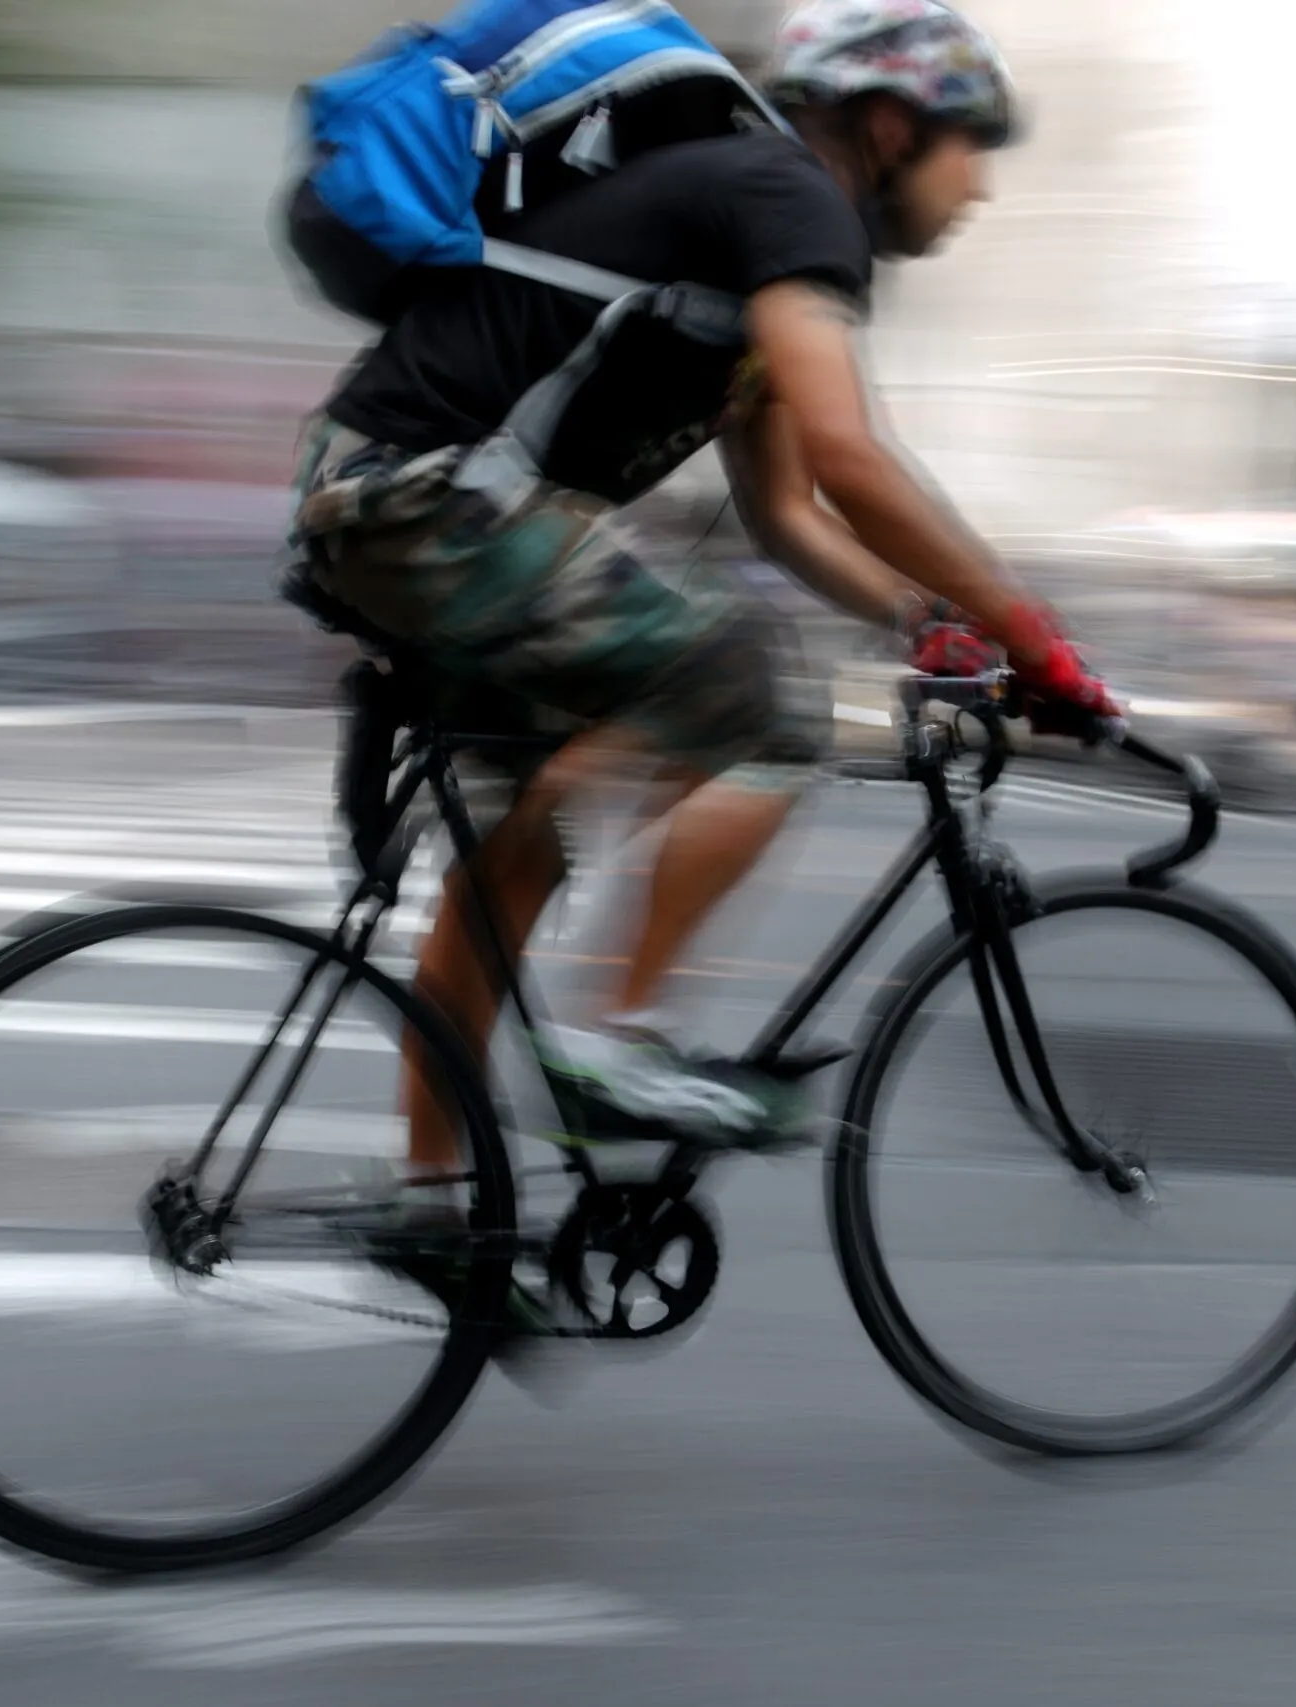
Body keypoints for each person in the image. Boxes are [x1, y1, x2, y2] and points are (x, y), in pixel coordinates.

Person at [290, 0, 1118, 1231]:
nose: (982, 186)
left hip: (395, 504)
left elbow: (786, 509)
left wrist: (929, 620)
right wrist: (1032, 635)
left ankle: (436, 1207)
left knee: (515, 859)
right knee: (760, 697)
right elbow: (853, 459)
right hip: (432, 507)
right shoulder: (788, 198)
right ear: (892, 125)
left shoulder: (743, 224)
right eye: (972, 142)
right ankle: (622, 1041)